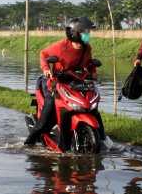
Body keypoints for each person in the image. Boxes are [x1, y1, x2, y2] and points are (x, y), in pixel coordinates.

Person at [25, 17, 103, 148]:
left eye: (88, 32)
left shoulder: (86, 48)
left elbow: (89, 63)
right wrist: (46, 69)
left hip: (75, 82)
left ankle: (103, 138)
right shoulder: (61, 47)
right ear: (75, 33)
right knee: (45, 121)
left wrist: (93, 71)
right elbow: (43, 54)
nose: (88, 35)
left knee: (92, 108)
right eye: (85, 32)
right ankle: (28, 143)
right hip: (55, 83)